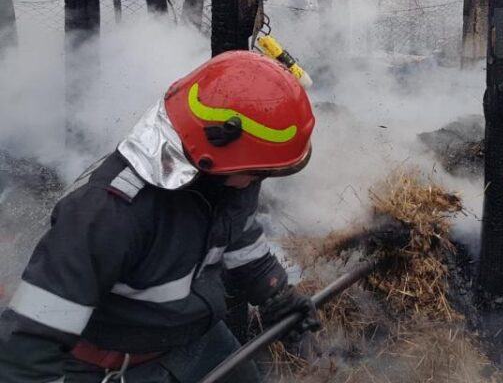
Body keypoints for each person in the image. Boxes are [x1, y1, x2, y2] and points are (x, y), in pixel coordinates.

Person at [0, 50, 319, 382]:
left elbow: (238, 235)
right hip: (112, 366)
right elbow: (29, 346)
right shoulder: (107, 215)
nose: (257, 180)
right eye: (256, 171)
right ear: (212, 154)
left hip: (193, 339)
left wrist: (276, 293)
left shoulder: (228, 181)